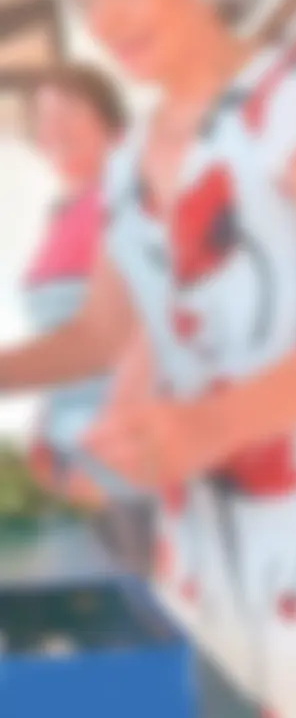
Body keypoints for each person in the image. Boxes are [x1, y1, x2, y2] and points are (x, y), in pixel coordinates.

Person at [0, 0, 296, 716]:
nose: (107, 18)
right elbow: (106, 330)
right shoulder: (131, 158)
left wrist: (211, 423)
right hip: (194, 541)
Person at [16, 65, 150, 569]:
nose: (54, 128)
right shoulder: (67, 212)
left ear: (108, 120)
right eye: (44, 118)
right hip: (72, 458)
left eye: (68, 112)